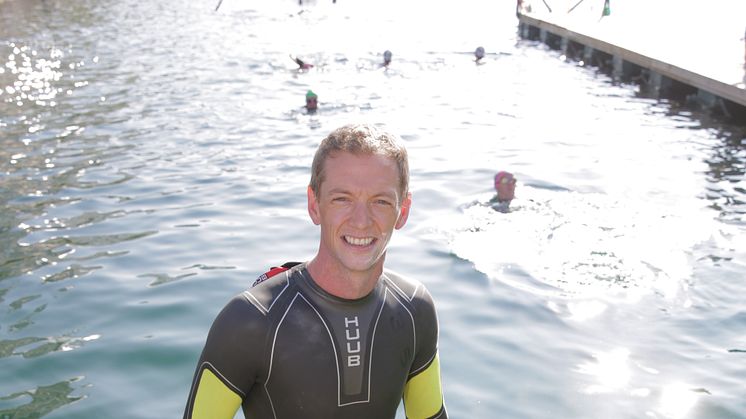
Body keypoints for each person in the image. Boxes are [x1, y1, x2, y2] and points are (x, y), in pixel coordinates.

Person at [183, 123, 448, 419]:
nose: (361, 221)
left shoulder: (414, 310)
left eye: (381, 201)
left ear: (403, 210)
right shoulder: (251, 322)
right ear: (314, 205)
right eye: (342, 199)